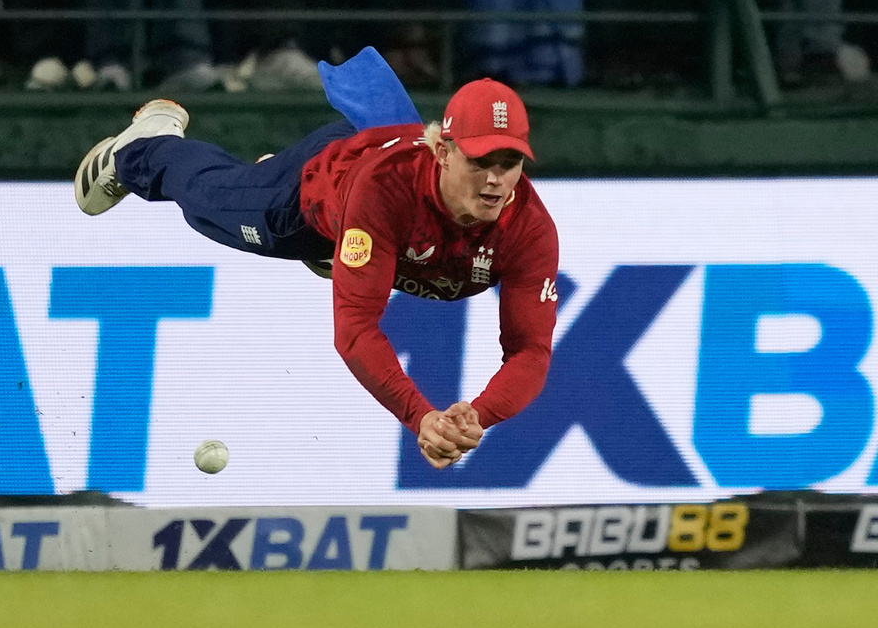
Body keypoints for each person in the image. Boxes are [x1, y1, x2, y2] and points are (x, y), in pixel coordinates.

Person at [72, 47, 559, 470]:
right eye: (480, 162)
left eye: (509, 163)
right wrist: (419, 416)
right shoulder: (387, 191)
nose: (495, 180)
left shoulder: (530, 231)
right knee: (208, 206)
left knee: (362, 251)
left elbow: (530, 353)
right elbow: (355, 331)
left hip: (376, 176)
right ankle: (145, 146)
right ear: (444, 152)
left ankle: (324, 234)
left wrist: (477, 414)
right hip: (316, 194)